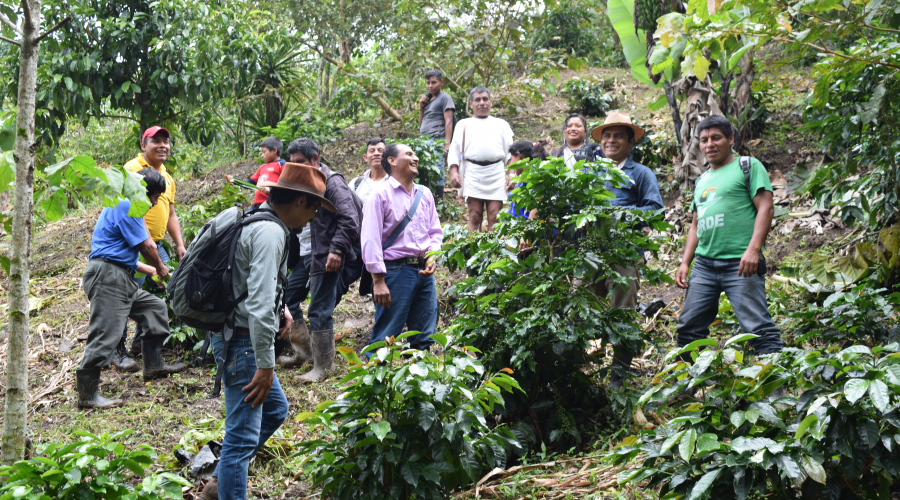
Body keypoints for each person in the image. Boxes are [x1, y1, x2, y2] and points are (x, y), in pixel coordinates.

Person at [199, 163, 334, 500]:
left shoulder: (259, 217)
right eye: (316, 207)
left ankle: (221, 482)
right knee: (241, 440)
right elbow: (258, 307)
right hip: (243, 343)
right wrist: (265, 364)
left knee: (275, 410)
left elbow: (254, 282)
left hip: (239, 335)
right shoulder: (272, 233)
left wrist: (283, 308)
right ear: (301, 201)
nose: (315, 217)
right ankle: (227, 481)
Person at [77, 168, 186, 409]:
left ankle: (153, 365)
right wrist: (160, 267)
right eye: (154, 196)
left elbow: (123, 255)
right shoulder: (129, 204)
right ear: (142, 190)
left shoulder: (122, 204)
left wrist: (152, 271)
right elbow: (148, 247)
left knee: (155, 308)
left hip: (119, 275)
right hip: (109, 277)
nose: (155, 202)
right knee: (105, 332)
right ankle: (87, 395)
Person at [674, 115, 784, 355]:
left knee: (758, 329)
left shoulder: (748, 166)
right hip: (704, 265)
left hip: (740, 261)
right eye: (704, 140)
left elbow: (766, 207)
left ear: (730, 139)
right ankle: (692, 386)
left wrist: (754, 249)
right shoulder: (702, 180)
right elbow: (695, 225)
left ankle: (776, 388)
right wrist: (685, 262)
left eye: (716, 138)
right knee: (689, 329)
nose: (709, 144)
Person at [588, 111, 664, 387]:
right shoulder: (589, 172)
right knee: (581, 308)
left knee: (622, 310)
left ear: (630, 142)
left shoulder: (641, 173)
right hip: (589, 252)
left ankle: (618, 377)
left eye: (618, 135)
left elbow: (656, 210)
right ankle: (581, 374)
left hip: (624, 252)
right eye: (606, 135)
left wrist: (621, 213)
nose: (611, 140)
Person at [283, 138, 361, 382]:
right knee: (287, 299)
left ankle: (324, 367)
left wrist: (337, 250)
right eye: (292, 163)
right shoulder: (301, 180)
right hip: (307, 254)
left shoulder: (333, 183)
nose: (296, 167)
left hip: (327, 256)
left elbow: (350, 219)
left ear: (315, 159)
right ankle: (304, 353)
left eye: (301, 162)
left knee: (319, 310)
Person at [361, 143, 443, 357]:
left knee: (424, 336)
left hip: (424, 273)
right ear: (392, 161)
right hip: (395, 272)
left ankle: (416, 385)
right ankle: (373, 386)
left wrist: (433, 256)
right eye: (409, 154)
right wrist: (378, 281)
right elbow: (370, 239)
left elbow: (435, 231)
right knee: (386, 337)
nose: (415, 157)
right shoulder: (379, 195)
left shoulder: (424, 194)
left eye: (414, 153)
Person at [118, 126, 188, 365]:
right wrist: (148, 247)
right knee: (126, 294)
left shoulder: (166, 177)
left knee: (166, 287)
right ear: (143, 145)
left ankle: (143, 340)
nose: (162, 146)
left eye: (166, 141)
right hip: (134, 244)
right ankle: (117, 351)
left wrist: (179, 244)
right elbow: (133, 212)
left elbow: (171, 214)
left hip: (155, 244)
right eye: (156, 141)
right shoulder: (133, 170)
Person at [448, 86, 514, 232]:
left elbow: (510, 152)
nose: (482, 103)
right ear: (471, 104)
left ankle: (492, 252)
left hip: (495, 173)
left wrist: (511, 174)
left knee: (495, 216)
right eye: (477, 100)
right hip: (472, 173)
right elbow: (454, 150)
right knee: (475, 216)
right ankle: (473, 250)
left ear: (491, 102)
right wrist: (454, 172)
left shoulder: (501, 124)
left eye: (485, 99)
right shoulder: (463, 124)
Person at [418, 70, 455, 199]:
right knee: (420, 167)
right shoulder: (428, 98)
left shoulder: (445, 98)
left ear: (441, 82)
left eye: (434, 82)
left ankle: (438, 200)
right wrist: (422, 107)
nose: (430, 86)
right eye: (428, 83)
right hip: (424, 139)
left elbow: (449, 121)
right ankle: (424, 198)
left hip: (436, 139)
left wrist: (446, 143)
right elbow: (422, 122)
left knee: (437, 168)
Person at [225, 136, 286, 209]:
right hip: (257, 205)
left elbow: (285, 184)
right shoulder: (262, 167)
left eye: (264, 152)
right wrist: (235, 180)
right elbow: (250, 184)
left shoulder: (282, 164)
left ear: (274, 150)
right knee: (243, 219)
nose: (262, 155)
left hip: (271, 204)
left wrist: (270, 189)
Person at [507, 140, 548, 220]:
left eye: (511, 159)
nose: (510, 164)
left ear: (520, 156)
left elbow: (535, 210)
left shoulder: (535, 177)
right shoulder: (525, 177)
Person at [349, 138, 390, 204]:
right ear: (365, 158)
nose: (376, 153)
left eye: (380, 150)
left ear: (388, 156)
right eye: (372, 151)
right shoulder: (355, 184)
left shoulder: (395, 183)